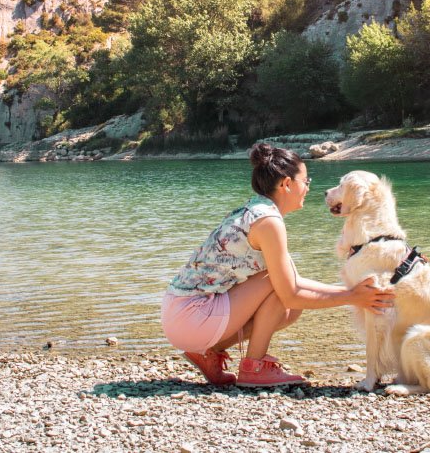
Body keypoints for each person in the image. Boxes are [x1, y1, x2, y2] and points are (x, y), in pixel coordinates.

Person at [161, 142, 394, 387]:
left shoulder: (256, 210)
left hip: (180, 312)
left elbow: (294, 289)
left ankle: (209, 352)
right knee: (281, 287)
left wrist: (355, 294)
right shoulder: (268, 222)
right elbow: (291, 293)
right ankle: (254, 367)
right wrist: (353, 296)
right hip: (191, 316)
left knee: (288, 304)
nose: (307, 188)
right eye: (306, 182)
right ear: (286, 184)